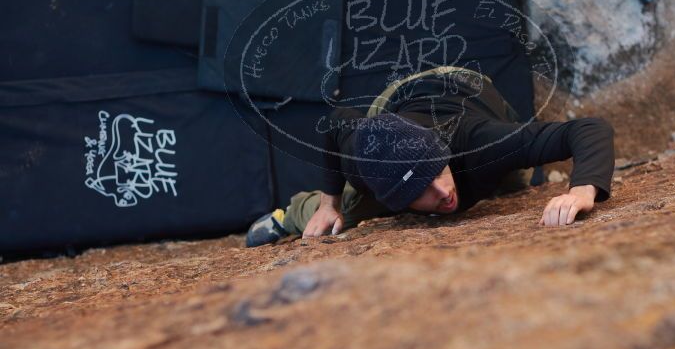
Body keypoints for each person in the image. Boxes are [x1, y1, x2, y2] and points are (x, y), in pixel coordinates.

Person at [246, 66, 615, 247]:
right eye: (422, 190)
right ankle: (289, 213)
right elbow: (332, 124)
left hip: (467, 89)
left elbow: (589, 129)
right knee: (348, 210)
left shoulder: (482, 142)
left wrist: (583, 190)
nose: (443, 192)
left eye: (437, 172)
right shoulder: (363, 161)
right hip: (397, 109)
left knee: (511, 179)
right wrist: (328, 204)